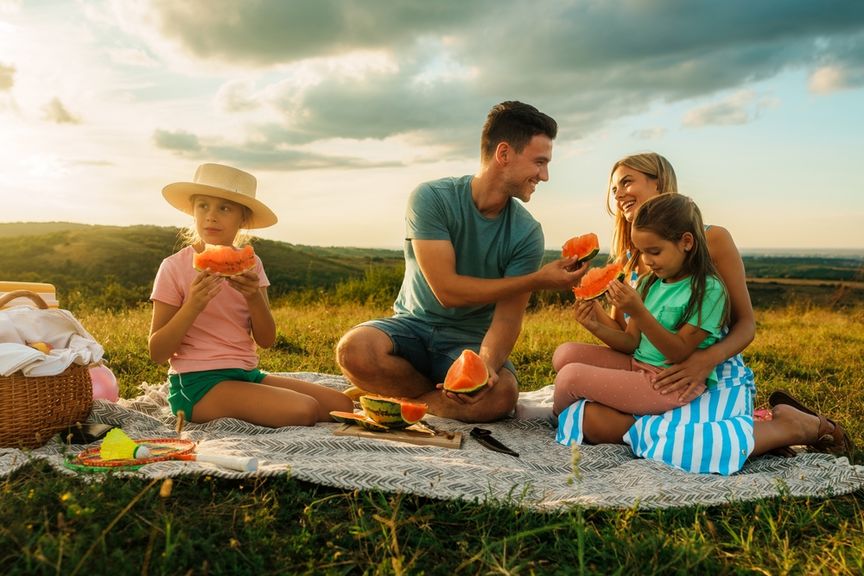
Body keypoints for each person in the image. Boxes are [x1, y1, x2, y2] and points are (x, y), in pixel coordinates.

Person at [552, 152, 853, 473]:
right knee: (573, 378)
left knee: (669, 442)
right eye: (613, 189)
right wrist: (592, 307)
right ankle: (686, 425)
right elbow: (626, 337)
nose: (618, 194)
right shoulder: (630, 258)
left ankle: (789, 426)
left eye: (627, 181)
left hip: (704, 374)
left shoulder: (712, 239)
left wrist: (702, 361)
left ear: (660, 182)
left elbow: (746, 325)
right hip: (649, 369)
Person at [336, 101, 587, 422]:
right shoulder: (431, 198)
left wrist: (484, 362)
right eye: (539, 162)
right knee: (354, 350)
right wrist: (537, 280)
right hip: (411, 326)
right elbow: (447, 291)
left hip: (470, 341)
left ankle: (396, 401)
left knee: (501, 396)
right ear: (504, 154)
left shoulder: (527, 233)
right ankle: (437, 400)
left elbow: (507, 320)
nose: (545, 175)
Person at [149, 162, 353, 426]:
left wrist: (254, 296)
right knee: (304, 410)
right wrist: (193, 305)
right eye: (203, 206)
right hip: (196, 385)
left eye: (224, 208)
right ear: (194, 211)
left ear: (242, 218)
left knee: (342, 405)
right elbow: (157, 352)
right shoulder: (173, 267)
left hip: (246, 374)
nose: (211, 216)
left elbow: (266, 339)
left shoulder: (252, 265)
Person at [553, 194, 731, 418]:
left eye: (654, 251)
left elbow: (679, 352)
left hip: (668, 381)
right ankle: (593, 406)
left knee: (570, 377)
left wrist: (639, 311)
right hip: (637, 364)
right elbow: (630, 342)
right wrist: (594, 326)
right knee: (564, 354)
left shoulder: (708, 290)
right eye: (642, 251)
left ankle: (557, 417)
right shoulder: (649, 283)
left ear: (686, 242)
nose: (646, 260)